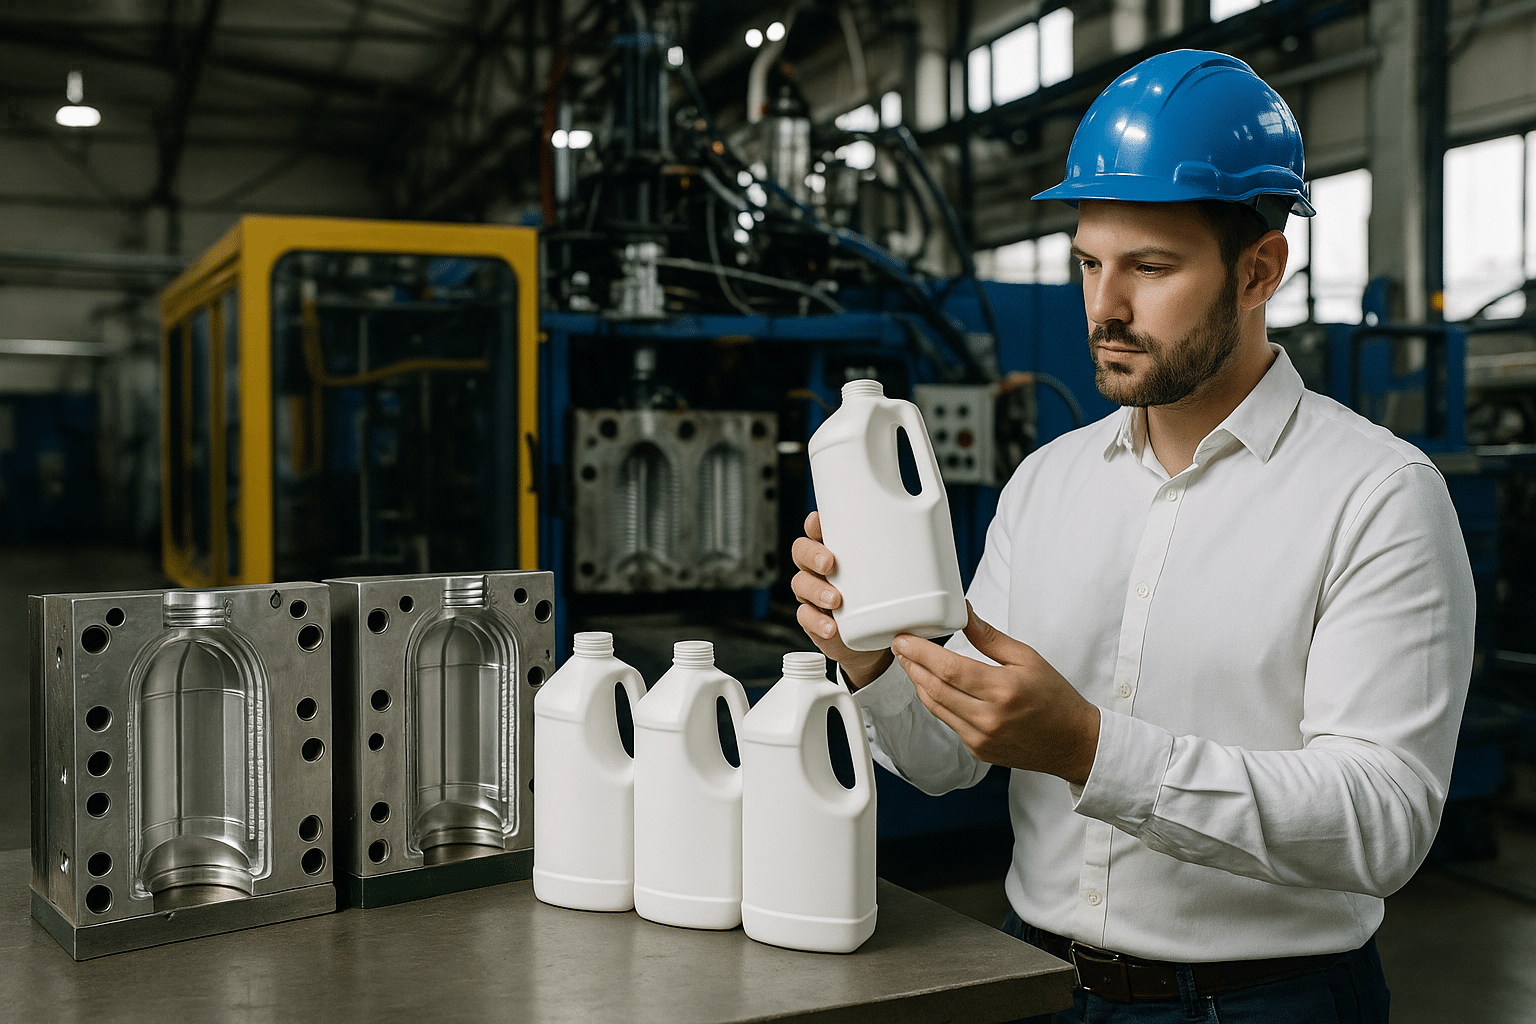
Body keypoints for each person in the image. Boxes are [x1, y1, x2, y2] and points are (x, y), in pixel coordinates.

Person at [791, 50, 1473, 1024]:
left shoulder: (1377, 494)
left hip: (1270, 1003)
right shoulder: (1047, 484)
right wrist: (869, 664)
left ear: (1260, 269)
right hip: (1039, 983)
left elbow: (1382, 821)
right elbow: (953, 761)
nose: (1104, 307)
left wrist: (1090, 749)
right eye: (1089, 263)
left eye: (1150, 267)